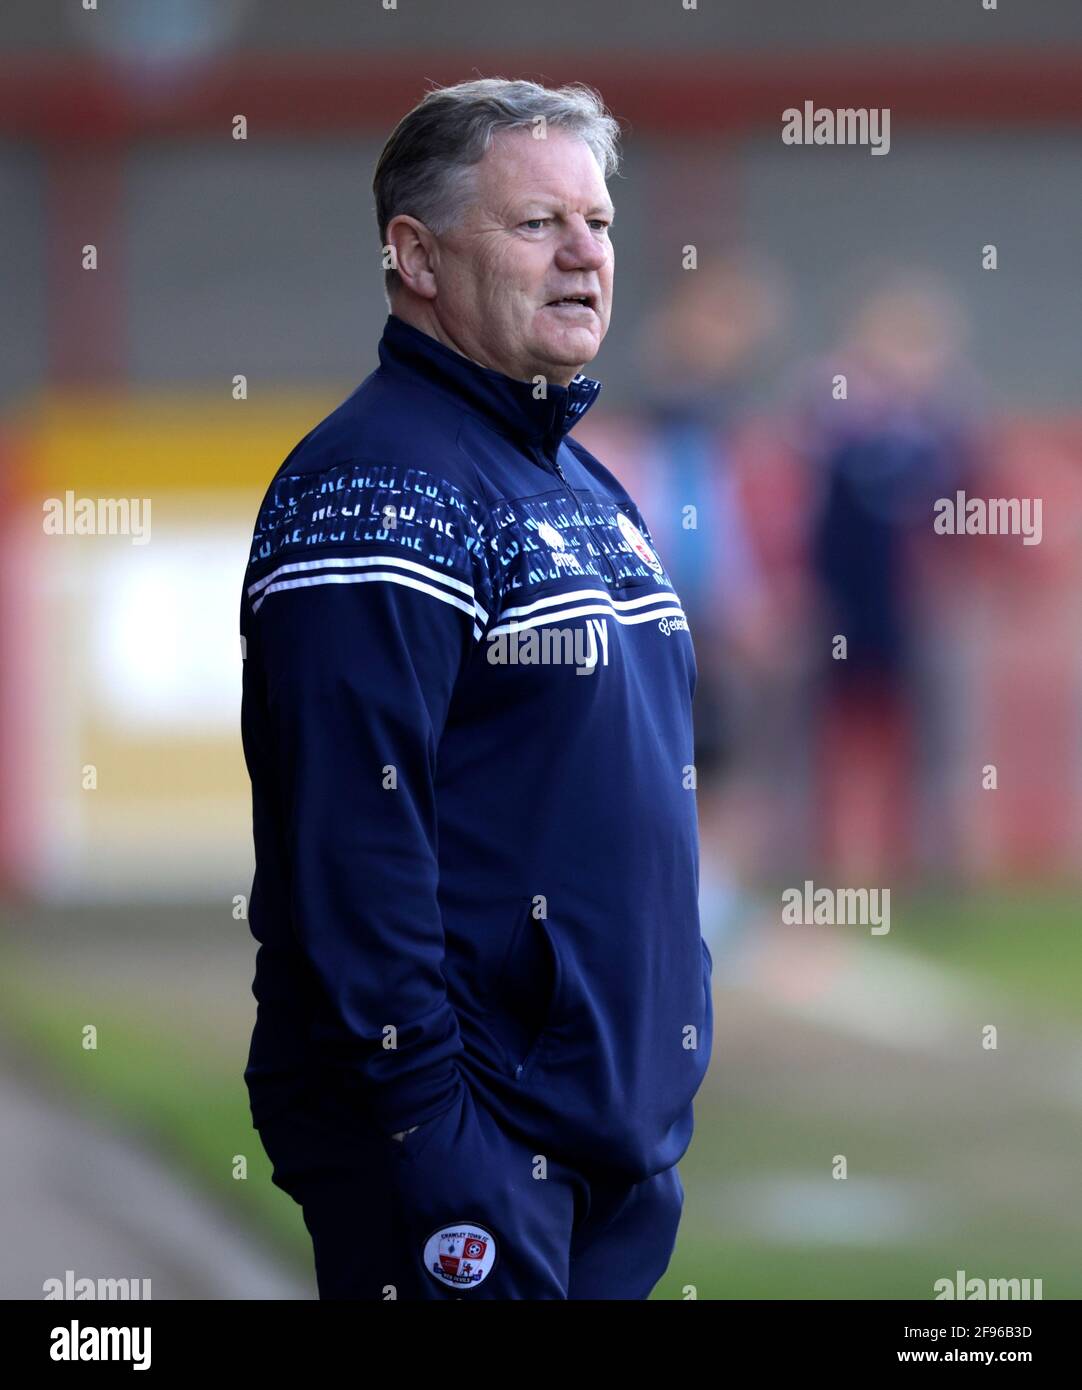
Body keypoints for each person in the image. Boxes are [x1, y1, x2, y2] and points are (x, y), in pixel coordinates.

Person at [240, 77, 712, 1300]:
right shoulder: (372, 483)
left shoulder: (578, 483)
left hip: (601, 1147)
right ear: (414, 256)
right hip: (472, 1149)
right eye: (534, 225)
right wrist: (428, 1132)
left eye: (597, 225)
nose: (582, 257)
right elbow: (351, 839)